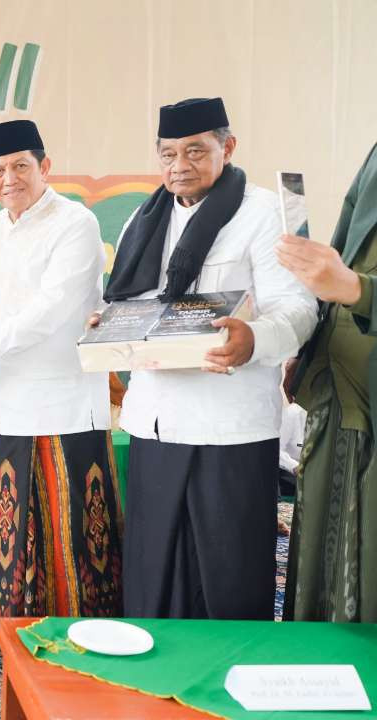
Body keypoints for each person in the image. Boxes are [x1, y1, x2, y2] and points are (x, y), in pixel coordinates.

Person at [100, 98, 316, 619]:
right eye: (169, 153)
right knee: (154, 571)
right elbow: (129, 304)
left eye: (196, 151)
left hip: (229, 428)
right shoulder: (143, 217)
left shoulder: (266, 213)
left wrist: (255, 338)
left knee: (228, 575)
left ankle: (229, 684)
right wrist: (105, 326)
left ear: (228, 148)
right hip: (156, 422)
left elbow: (300, 308)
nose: (180, 165)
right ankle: (152, 683)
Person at [0, 120, 124, 643]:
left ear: (45, 167)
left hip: (64, 400)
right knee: (11, 521)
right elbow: (4, 301)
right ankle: (12, 624)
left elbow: (51, 312)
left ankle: (84, 629)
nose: (9, 178)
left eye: (20, 166)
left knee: (73, 525)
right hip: (9, 401)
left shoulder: (75, 223)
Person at [277, 141, 377, 622]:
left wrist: (360, 291)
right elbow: (343, 253)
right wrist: (308, 347)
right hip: (339, 382)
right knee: (322, 550)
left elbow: (352, 280)